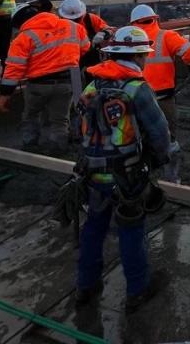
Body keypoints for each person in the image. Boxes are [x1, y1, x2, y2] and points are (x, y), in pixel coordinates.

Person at [73, 25, 172, 313]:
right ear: (140, 57)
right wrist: (161, 160)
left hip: (92, 173)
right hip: (126, 176)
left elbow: (76, 129)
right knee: (131, 230)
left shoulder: (91, 87)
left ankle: (85, 286)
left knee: (93, 228)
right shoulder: (137, 89)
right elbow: (160, 133)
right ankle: (137, 290)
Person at [0, 3, 90, 151]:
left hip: (38, 85)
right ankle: (59, 150)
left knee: (31, 116)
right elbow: (85, 47)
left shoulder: (23, 37)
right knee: (60, 120)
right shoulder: (73, 26)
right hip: (66, 83)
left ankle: (30, 146)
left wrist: (5, 94)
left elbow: (14, 69)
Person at [129, 4, 190, 100]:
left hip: (137, 91)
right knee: (166, 114)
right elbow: (189, 50)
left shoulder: (127, 40)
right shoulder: (166, 35)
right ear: (154, 19)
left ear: (133, 23)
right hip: (164, 91)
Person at [58, 0, 112, 83]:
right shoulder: (58, 24)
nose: (74, 21)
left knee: (93, 79)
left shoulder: (90, 19)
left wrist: (104, 33)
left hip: (91, 54)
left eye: (77, 19)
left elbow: (109, 29)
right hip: (70, 57)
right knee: (71, 81)